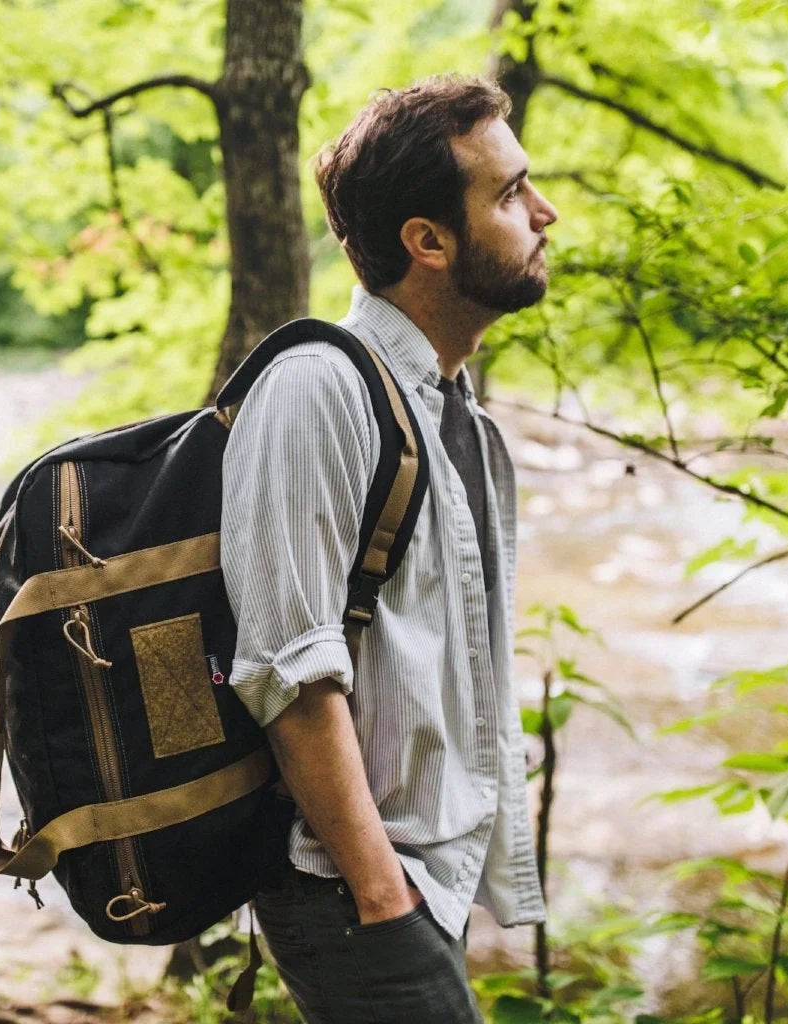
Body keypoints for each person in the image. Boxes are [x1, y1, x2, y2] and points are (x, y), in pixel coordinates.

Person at [220, 73, 558, 1024]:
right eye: (509, 193)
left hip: (414, 883)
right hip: (349, 886)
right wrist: (381, 893)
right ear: (428, 242)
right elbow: (286, 671)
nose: (545, 211)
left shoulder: (459, 419)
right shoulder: (318, 388)